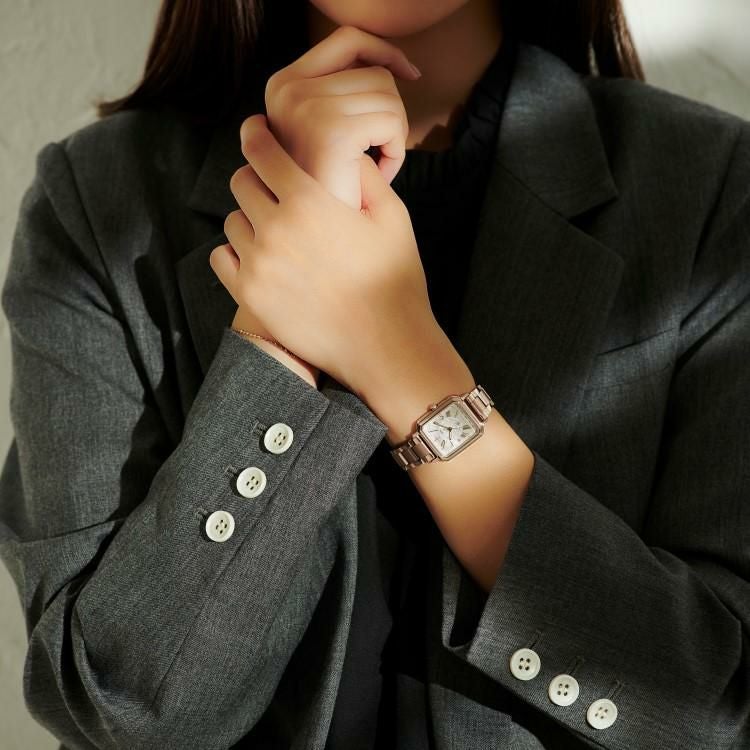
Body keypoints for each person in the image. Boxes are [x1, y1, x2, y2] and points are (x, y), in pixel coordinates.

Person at [1, 0, 748, 748]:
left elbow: (718, 712)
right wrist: (275, 346)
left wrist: (404, 365)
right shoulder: (99, 201)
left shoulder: (712, 188)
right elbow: (119, 709)